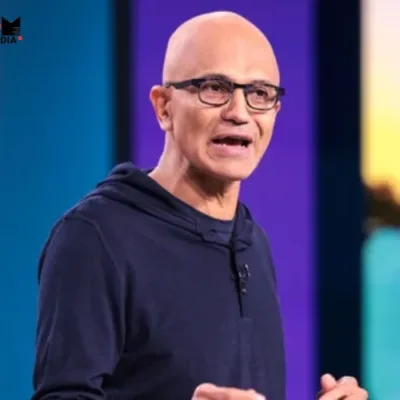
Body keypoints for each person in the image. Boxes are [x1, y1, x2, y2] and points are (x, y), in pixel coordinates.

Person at [32, 11, 368, 400]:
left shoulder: (252, 241)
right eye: (214, 87)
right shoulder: (95, 237)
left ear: (275, 111)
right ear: (163, 107)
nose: (239, 113)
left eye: (259, 94)